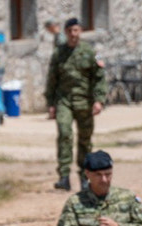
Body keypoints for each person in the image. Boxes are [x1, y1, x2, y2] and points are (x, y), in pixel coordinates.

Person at [46, 18, 106, 191]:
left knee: (85, 140)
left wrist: (99, 100)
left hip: (84, 102)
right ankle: (64, 176)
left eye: (76, 30)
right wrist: (50, 103)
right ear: (65, 33)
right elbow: (51, 79)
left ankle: (85, 176)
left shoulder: (89, 52)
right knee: (64, 133)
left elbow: (99, 78)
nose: (73, 34)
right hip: (64, 101)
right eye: (70, 31)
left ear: (80, 32)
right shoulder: (59, 53)